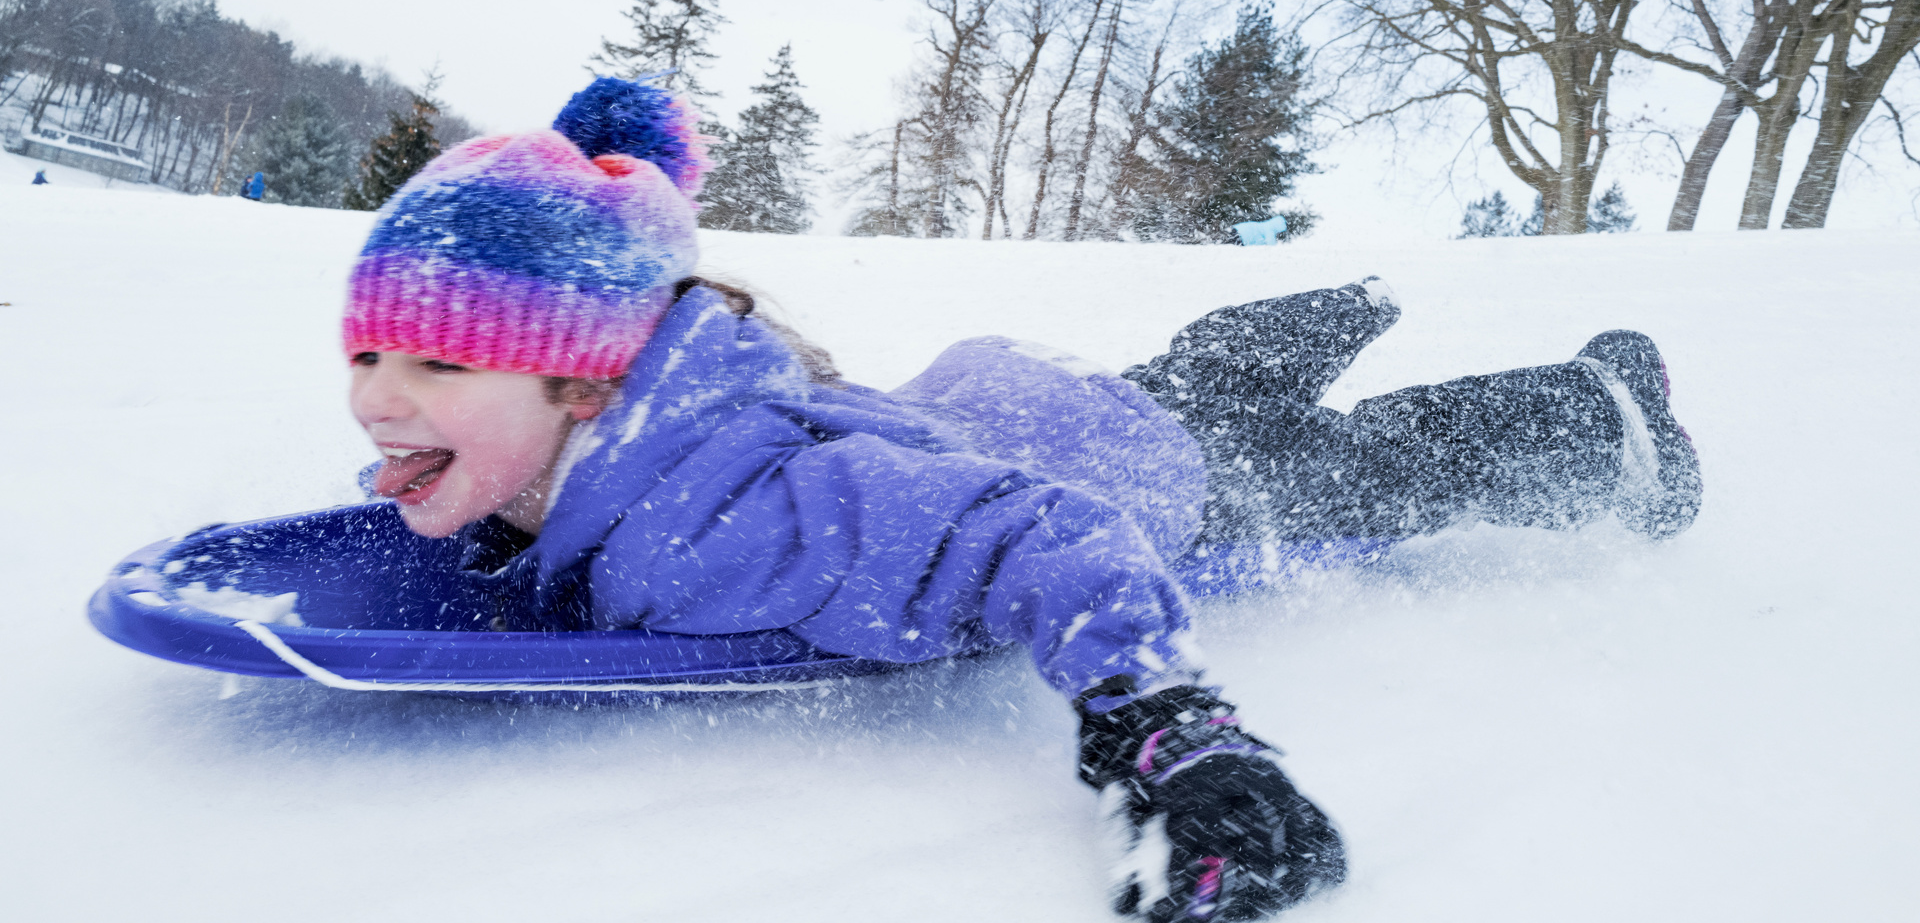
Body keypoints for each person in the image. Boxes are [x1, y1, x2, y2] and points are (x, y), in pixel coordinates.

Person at [342, 78, 1701, 921]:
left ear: (586, 386)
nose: (375, 399)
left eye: (436, 360)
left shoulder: (739, 520)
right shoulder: (636, 434)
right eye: (365, 354)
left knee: (1334, 478)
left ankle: (1600, 413)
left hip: (1113, 477)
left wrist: (1168, 726)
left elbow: (1039, 535)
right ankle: (1265, 347)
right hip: (1016, 405)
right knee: (1188, 391)